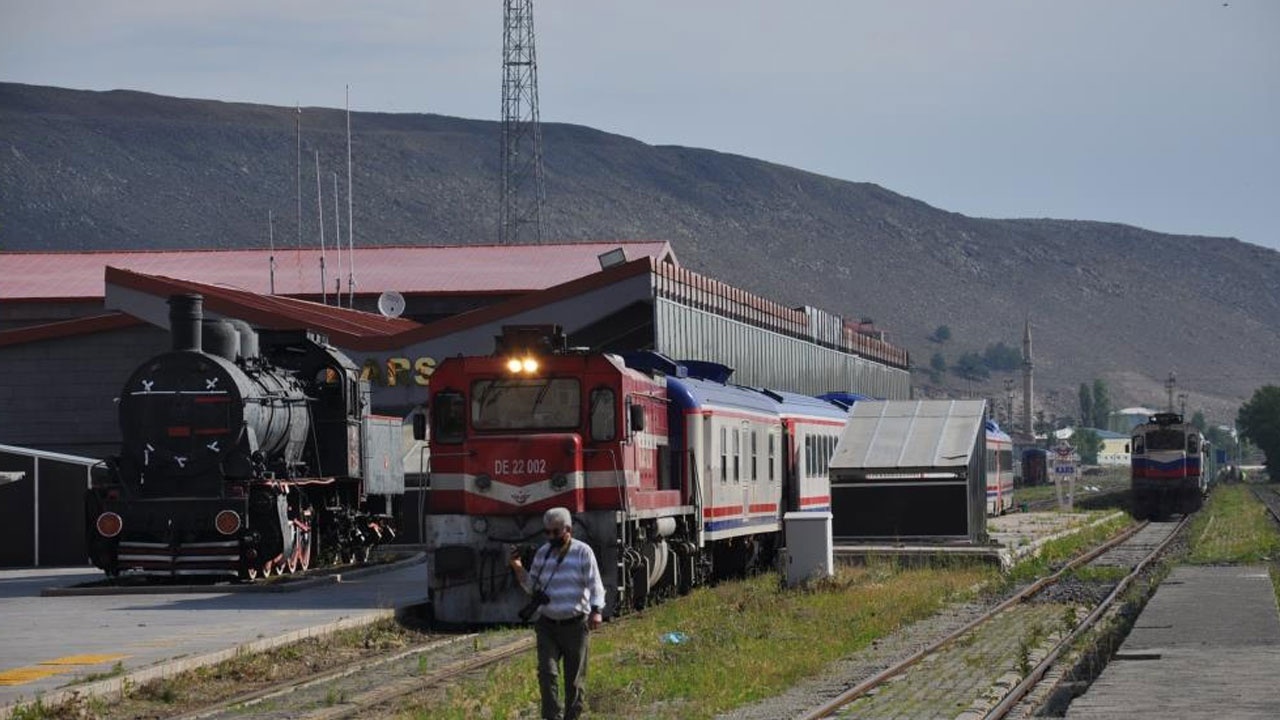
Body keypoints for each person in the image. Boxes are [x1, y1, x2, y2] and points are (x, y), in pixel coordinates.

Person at [508, 507, 606, 720]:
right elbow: (532, 587)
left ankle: (573, 716)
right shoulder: (543, 553)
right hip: (548, 625)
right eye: (547, 532)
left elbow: (595, 584)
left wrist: (596, 610)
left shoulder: (583, 552)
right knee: (547, 674)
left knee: (574, 680)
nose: (551, 537)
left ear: (568, 529)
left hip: (576, 626)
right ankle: (552, 717)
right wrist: (518, 568)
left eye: (555, 532)